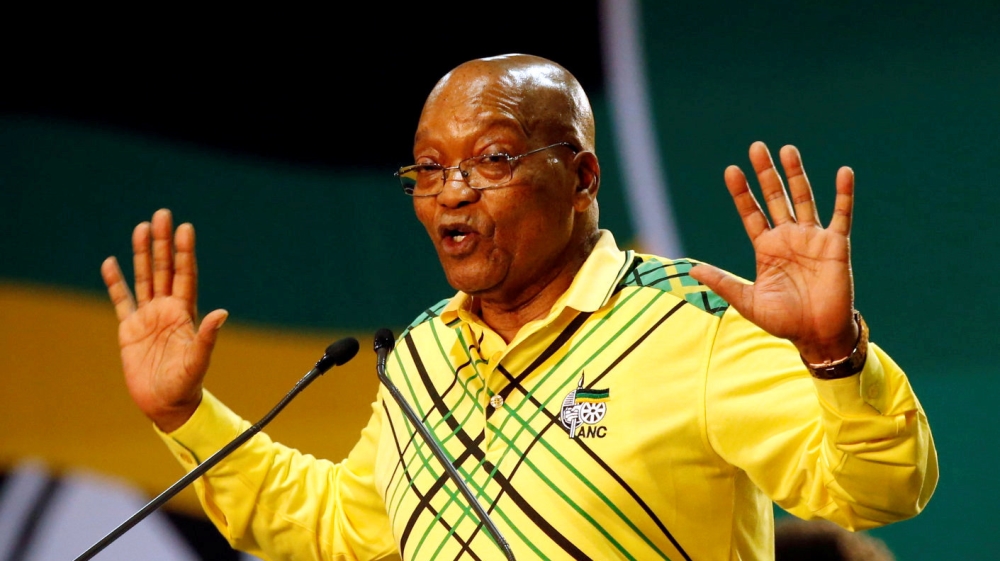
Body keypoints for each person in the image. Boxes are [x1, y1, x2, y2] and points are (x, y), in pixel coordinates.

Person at [101, 54, 937, 560]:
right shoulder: (424, 355)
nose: (452, 195)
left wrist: (835, 355)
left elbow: (880, 490)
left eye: (491, 158)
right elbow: (338, 524)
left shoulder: (690, 321)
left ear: (581, 178)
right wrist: (185, 414)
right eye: (429, 169)